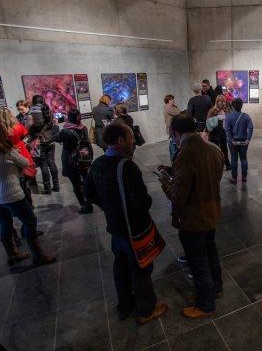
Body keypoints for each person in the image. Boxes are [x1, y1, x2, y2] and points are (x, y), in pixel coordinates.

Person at [84, 123, 167, 324]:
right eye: (130, 138)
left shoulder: (96, 164)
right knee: (141, 269)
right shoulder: (127, 166)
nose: (133, 142)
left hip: (115, 228)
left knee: (120, 267)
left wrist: (109, 208)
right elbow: (141, 202)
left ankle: (125, 306)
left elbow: (88, 193)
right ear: (120, 140)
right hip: (134, 230)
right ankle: (146, 309)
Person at [159, 114, 224, 319]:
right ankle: (217, 287)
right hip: (211, 211)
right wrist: (173, 172)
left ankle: (206, 305)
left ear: (176, 134)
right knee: (210, 251)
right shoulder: (214, 149)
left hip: (193, 218)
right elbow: (206, 176)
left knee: (198, 261)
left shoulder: (185, 154)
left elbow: (178, 197)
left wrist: (165, 183)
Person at [0, 120, 55, 266]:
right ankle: (38, 254)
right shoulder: (5, 150)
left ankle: (12, 254)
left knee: (5, 222)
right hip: (10, 193)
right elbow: (25, 163)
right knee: (29, 220)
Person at [53, 109, 93, 214]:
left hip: (70, 160)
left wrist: (55, 126)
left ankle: (84, 206)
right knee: (86, 181)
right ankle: (90, 203)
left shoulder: (65, 131)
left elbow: (55, 138)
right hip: (83, 158)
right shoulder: (83, 128)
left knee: (76, 185)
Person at [0, 107, 37, 207]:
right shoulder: (18, 126)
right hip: (21, 152)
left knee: (13, 181)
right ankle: (29, 204)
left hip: (7, 155)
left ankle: (20, 205)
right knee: (24, 182)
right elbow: (25, 133)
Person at [26, 95, 59, 194]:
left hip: (39, 142)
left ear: (33, 102)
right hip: (50, 139)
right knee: (52, 163)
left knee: (43, 165)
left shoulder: (31, 114)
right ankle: (56, 186)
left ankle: (47, 188)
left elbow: (27, 128)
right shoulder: (48, 111)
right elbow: (53, 123)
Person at [225, 98, 254, 184]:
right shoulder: (246, 116)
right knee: (243, 158)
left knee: (234, 159)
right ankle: (244, 177)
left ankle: (234, 178)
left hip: (233, 142)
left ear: (233, 106)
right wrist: (248, 139)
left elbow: (227, 129)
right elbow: (251, 127)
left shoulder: (229, 116)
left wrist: (231, 140)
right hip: (244, 142)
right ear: (241, 106)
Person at [206, 95, 231, 170]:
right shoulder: (212, 110)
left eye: (224, 101)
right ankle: (216, 165)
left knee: (224, 149)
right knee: (215, 149)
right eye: (221, 101)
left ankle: (227, 164)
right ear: (217, 102)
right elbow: (208, 122)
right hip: (214, 133)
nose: (223, 103)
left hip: (223, 132)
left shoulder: (227, 110)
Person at [163, 94, 181, 162]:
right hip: (172, 128)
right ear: (167, 101)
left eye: (173, 99)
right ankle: (173, 160)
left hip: (174, 128)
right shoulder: (168, 108)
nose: (173, 100)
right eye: (171, 100)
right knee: (173, 143)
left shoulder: (172, 106)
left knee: (174, 142)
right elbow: (178, 112)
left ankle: (175, 159)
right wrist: (176, 107)